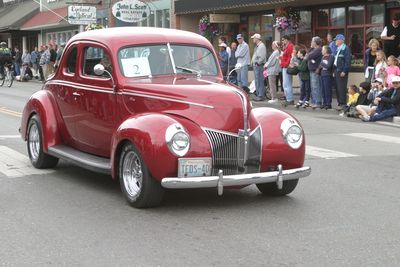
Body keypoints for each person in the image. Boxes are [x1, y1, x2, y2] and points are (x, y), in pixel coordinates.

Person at [333, 34, 351, 109]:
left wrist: (344, 71)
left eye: (336, 40)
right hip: (336, 70)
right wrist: (334, 71)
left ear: (341, 40)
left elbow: (347, 61)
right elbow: (336, 60)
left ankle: (343, 103)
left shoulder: (345, 48)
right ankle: (339, 102)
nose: (335, 41)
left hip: (342, 71)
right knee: (337, 87)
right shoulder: (338, 49)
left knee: (341, 87)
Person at [306, 36, 323, 109]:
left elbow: (308, 56)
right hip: (312, 70)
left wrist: (308, 55)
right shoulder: (313, 49)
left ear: (315, 43)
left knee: (316, 86)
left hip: (315, 71)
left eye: (312, 41)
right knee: (313, 87)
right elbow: (308, 55)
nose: (311, 43)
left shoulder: (318, 49)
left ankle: (318, 102)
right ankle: (314, 101)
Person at [250, 33, 267, 101]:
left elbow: (262, 57)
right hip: (257, 65)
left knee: (259, 80)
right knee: (257, 80)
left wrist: (257, 63)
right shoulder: (257, 46)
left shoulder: (261, 46)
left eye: (254, 38)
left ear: (257, 38)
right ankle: (258, 94)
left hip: (259, 65)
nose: (253, 39)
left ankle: (260, 95)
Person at [280, 35, 294, 105]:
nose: (282, 41)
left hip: (286, 66)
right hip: (284, 66)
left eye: (283, 40)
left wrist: (286, 64)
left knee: (287, 83)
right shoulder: (286, 47)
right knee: (285, 83)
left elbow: (290, 57)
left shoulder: (290, 46)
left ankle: (290, 99)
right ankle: (288, 98)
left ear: (286, 40)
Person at [319, 45, 334, 109]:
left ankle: (328, 103)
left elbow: (328, 66)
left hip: (328, 75)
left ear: (326, 50)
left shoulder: (331, 56)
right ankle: (324, 103)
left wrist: (322, 64)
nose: (321, 51)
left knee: (327, 89)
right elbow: (321, 65)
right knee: (323, 89)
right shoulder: (323, 57)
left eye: (322, 50)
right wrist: (322, 65)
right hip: (322, 74)